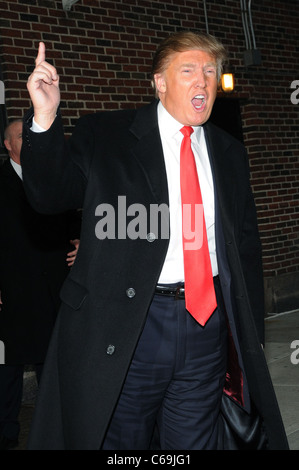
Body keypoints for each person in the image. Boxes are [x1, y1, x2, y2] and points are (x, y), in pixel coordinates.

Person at [21, 32, 288, 450]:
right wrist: (45, 118)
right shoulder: (107, 135)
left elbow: (246, 243)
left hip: (207, 328)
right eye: (188, 71)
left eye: (209, 71)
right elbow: (50, 195)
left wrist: (247, 326)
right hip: (131, 328)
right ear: (159, 82)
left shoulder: (228, 151)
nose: (202, 81)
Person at [0, 119, 81, 450]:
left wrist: (82, 245)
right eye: (21, 136)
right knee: (8, 371)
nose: (27, 141)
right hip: (12, 292)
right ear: (8, 145)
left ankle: (56, 433)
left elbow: (77, 218)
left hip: (54, 290)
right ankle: (6, 434)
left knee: (54, 367)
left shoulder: (52, 177)